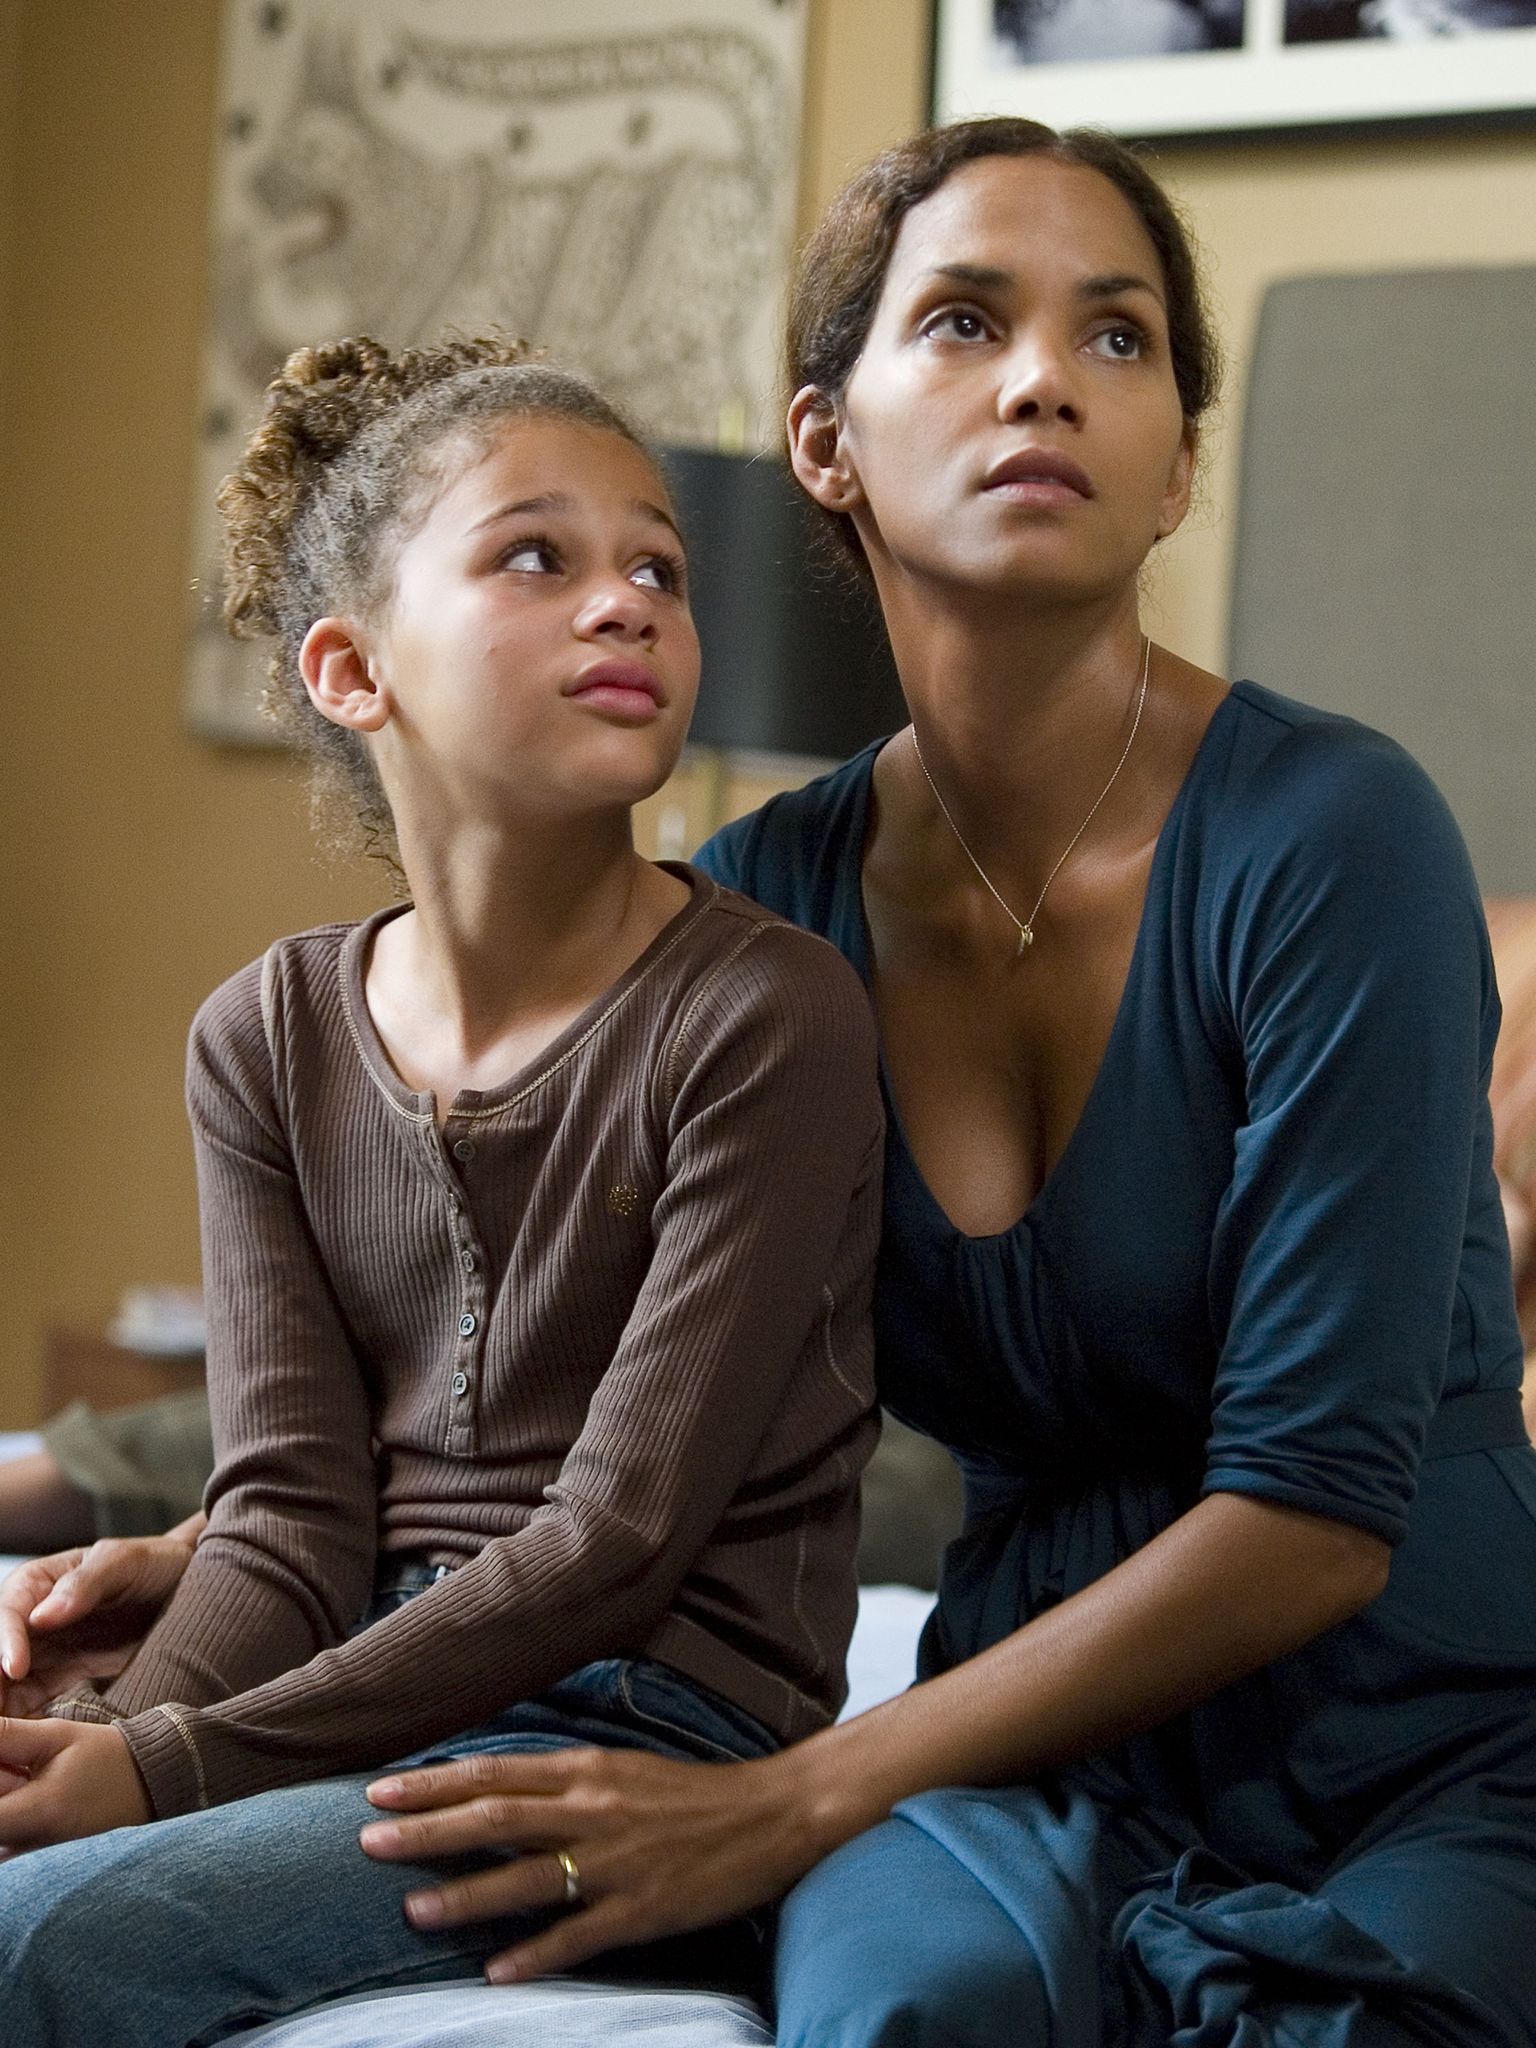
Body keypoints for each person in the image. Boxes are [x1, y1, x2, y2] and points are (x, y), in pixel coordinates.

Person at [8, 117, 1536, 2047]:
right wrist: (180, 1538)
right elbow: (559, 1382)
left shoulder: (1336, 834)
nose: (1046, 378)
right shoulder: (753, 918)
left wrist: (798, 1794)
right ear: (827, 442)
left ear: (1178, 472)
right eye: (966, 320)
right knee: (887, 2027)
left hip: (1409, 1725)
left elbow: (1317, 1505)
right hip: (1015, 1734)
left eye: (1120, 339)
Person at [0, 334, 884, 2047]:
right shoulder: (261, 1037)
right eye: (534, 555)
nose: (625, 602)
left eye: (660, 569)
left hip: (636, 1737)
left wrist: (167, 1764)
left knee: (25, 1949)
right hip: (366, 1681)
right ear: (350, 668)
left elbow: (618, 1539)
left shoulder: (766, 1014)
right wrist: (91, 1764)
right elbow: (286, 1520)